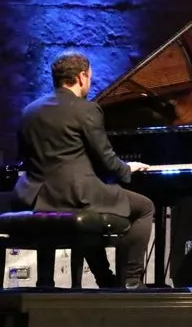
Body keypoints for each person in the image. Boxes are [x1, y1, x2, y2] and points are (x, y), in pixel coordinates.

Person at [13, 51, 155, 289]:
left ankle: (104, 279)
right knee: (144, 207)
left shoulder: (30, 111)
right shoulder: (86, 109)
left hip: (34, 197)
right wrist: (126, 168)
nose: (89, 81)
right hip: (75, 195)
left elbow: (24, 158)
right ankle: (131, 281)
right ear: (81, 77)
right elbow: (107, 161)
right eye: (89, 77)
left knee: (90, 213)